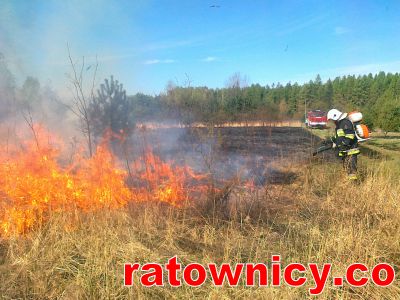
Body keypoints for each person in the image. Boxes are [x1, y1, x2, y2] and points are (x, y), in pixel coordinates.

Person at [326, 109, 360, 180]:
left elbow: (350, 136)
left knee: (352, 171)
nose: (332, 121)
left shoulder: (345, 122)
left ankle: (354, 186)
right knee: (347, 169)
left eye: (332, 119)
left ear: (335, 116)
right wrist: (332, 141)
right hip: (345, 151)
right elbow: (339, 137)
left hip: (351, 150)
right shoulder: (339, 124)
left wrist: (343, 144)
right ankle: (349, 184)